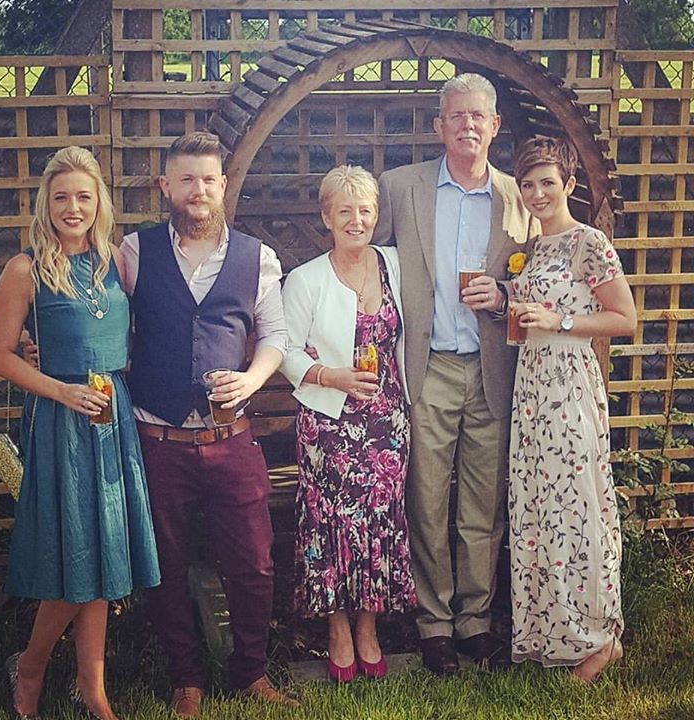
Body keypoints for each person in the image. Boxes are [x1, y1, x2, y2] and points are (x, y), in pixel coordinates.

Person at [119, 131, 294, 716]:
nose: (199, 190)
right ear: (166, 186)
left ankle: (250, 672)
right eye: (187, 179)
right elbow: (104, 322)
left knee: (254, 562)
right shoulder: (134, 253)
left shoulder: (256, 257)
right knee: (165, 563)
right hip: (158, 439)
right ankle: (185, 677)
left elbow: (275, 335)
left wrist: (251, 379)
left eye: (209, 180)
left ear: (224, 186)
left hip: (231, 438)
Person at [372, 73, 539, 674]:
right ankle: (433, 624)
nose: (467, 125)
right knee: (425, 500)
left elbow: (543, 280)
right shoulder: (400, 187)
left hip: (493, 367)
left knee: (482, 505)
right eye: (456, 116)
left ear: (495, 126)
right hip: (429, 365)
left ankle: (475, 622)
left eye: (478, 116)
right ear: (439, 125)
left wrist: (505, 294)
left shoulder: (519, 197)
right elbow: (369, 266)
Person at [0, 146, 161, 720]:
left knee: (104, 552)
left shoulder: (115, 262)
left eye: (84, 196)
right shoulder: (25, 269)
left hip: (111, 420)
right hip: (60, 422)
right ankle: (30, 668)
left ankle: (92, 690)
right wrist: (60, 389)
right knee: (75, 553)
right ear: (46, 203)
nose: (73, 207)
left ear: (99, 203)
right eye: (61, 196)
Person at [281, 165, 417, 682]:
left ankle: (368, 628)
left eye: (365, 211)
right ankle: (337, 629)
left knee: (379, 522)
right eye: (345, 211)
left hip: (387, 421)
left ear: (376, 216)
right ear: (327, 217)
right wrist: (329, 376)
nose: (356, 221)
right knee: (332, 526)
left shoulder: (396, 265)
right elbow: (284, 350)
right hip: (328, 424)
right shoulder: (306, 279)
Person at [508, 137, 635, 681]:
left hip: (570, 385)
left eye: (547, 183)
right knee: (539, 509)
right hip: (531, 385)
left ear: (569, 185)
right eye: (528, 184)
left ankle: (601, 638)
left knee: (578, 507)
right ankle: (554, 635)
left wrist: (559, 322)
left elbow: (624, 319)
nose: (537, 193)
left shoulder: (590, 242)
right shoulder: (533, 246)